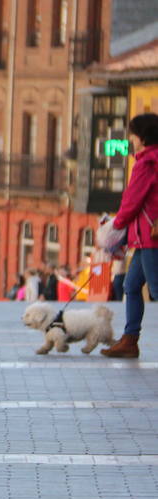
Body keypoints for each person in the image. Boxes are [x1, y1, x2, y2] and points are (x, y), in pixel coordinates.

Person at [102, 113, 158, 359]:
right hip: (144, 236)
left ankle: (129, 339)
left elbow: (132, 201)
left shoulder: (147, 163)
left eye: (133, 133)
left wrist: (115, 228)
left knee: (156, 289)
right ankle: (129, 340)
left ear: (142, 136)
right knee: (131, 285)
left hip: (151, 237)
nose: (131, 139)